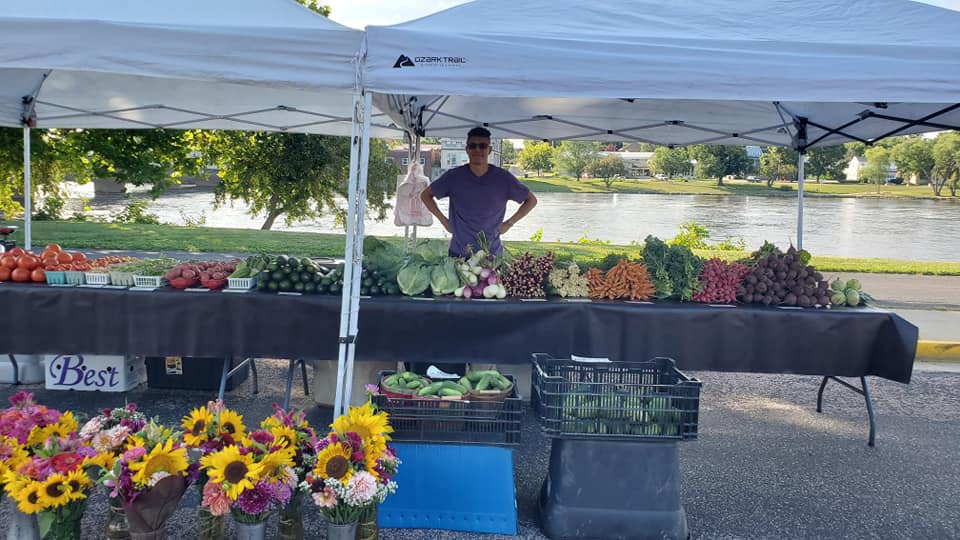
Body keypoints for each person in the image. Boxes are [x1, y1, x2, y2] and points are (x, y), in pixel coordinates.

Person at [421, 127, 538, 257]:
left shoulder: (503, 178)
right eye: (473, 146)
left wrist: (509, 223)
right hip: (459, 253)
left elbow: (531, 200)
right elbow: (425, 195)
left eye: (482, 146)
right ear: (467, 149)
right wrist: (444, 221)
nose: (477, 150)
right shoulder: (453, 177)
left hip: (491, 254)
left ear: (489, 150)